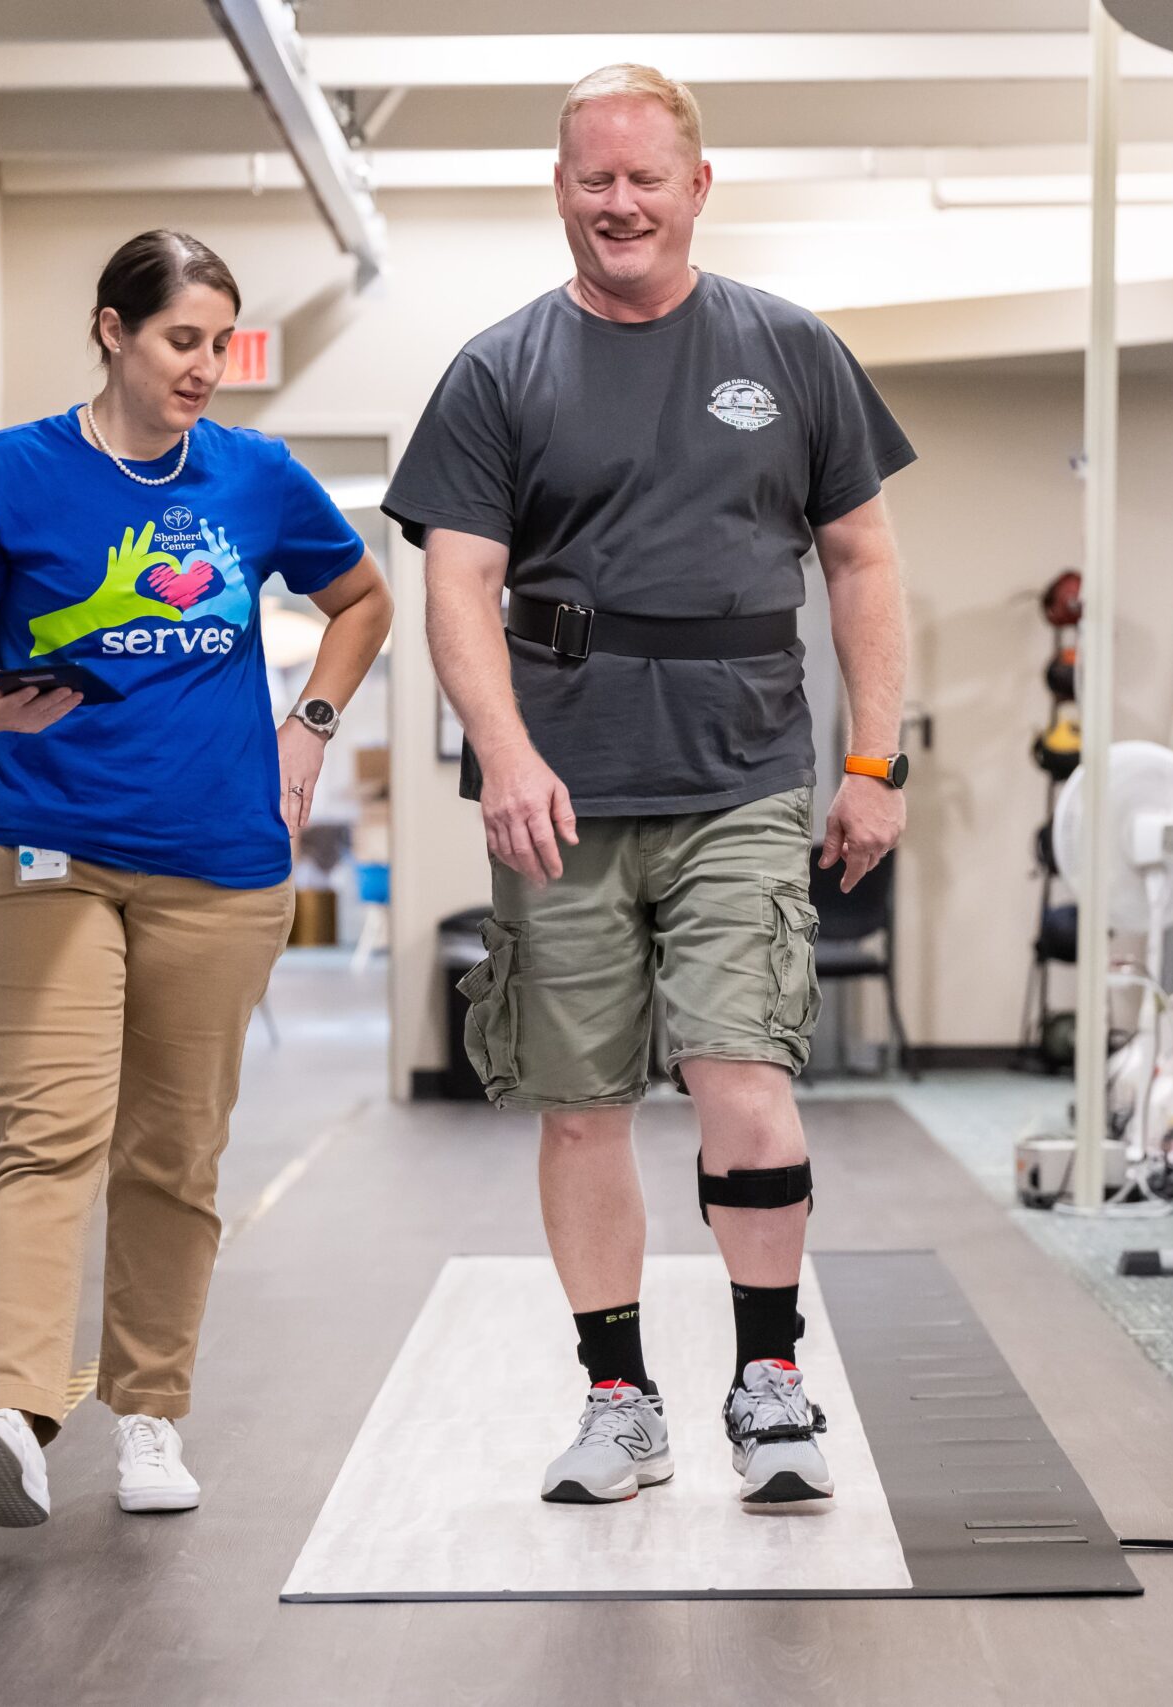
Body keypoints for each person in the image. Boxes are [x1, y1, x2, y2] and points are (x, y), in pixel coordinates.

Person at [385, 66, 916, 1507]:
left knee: (742, 1073)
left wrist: (873, 761)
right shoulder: (500, 371)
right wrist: (500, 750)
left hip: (743, 772)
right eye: (591, 178)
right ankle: (620, 1400)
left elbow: (862, 560)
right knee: (578, 1104)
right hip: (561, 787)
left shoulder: (789, 351)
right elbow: (458, 584)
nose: (618, 203)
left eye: (643, 178)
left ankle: (769, 1382)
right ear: (560, 188)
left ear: (696, 186)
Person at [0, 229, 391, 1527]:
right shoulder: (6, 473)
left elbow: (362, 600)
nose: (205, 368)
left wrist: (314, 725)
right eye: (183, 339)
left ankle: (152, 1420)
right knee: (47, 1131)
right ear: (112, 329)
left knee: (175, 1152)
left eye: (221, 345)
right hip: (44, 850)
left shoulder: (257, 476)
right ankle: (9, 1409)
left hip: (221, 866)